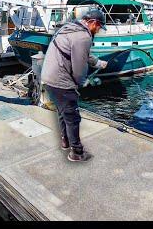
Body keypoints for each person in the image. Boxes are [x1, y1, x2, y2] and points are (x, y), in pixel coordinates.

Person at [41, 9, 109, 162]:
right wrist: (81, 82)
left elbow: (81, 53)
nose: (98, 31)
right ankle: (76, 153)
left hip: (48, 78)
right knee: (73, 117)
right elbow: (79, 68)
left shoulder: (68, 28)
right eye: (99, 27)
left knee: (62, 112)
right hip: (61, 81)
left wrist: (97, 63)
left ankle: (65, 141)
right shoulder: (83, 36)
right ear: (93, 23)